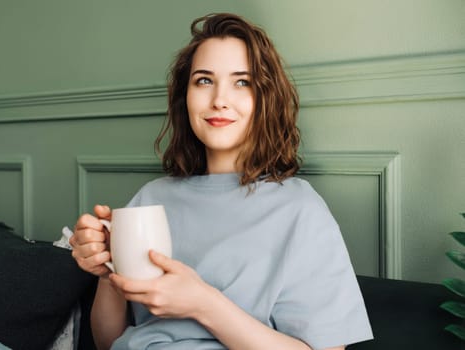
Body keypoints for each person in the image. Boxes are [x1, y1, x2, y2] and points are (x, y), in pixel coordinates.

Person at [70, 12, 373, 350]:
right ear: (185, 97)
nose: (219, 100)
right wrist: (107, 273)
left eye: (242, 82)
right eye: (204, 80)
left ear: (264, 99)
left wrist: (203, 304)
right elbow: (108, 341)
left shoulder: (300, 209)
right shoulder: (151, 198)